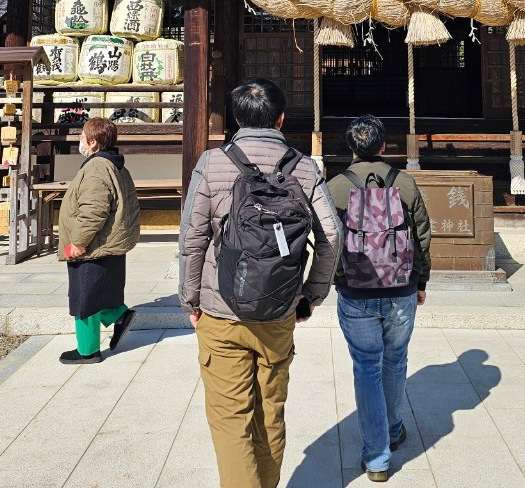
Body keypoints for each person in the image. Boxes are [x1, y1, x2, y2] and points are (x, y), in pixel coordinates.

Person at [178, 78, 342, 488]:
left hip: (221, 312)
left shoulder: (213, 163)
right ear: (281, 119)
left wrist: (190, 300)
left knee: (231, 420)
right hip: (279, 310)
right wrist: (311, 295)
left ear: (236, 119)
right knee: (271, 412)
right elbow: (333, 236)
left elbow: (192, 237)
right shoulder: (303, 166)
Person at [325, 114, 432, 483]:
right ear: (385, 146)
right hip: (401, 289)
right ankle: (393, 426)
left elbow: (327, 241)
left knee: (366, 367)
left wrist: (333, 281)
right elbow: (422, 237)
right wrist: (421, 281)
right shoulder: (405, 183)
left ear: (351, 147)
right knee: (395, 360)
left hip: (355, 291)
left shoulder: (335, 187)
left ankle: (377, 456)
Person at [57, 117, 141, 365]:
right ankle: (120, 315)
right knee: (97, 293)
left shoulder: (96, 168)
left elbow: (94, 209)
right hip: (107, 243)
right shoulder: (115, 165)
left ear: (93, 142)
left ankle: (88, 351)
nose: (80, 142)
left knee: (84, 299)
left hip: (93, 245)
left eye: (82, 137)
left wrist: (79, 241)